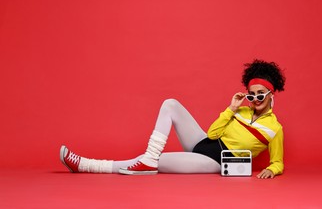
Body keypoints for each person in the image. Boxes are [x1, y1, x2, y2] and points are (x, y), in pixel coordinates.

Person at [60, 59, 286, 179]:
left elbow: (278, 161)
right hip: (203, 143)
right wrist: (231, 109)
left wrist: (273, 170)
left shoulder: (275, 128)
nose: (255, 99)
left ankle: (86, 165)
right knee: (170, 104)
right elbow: (212, 134)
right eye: (251, 94)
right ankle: (149, 157)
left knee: (154, 162)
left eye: (260, 94)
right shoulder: (241, 111)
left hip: (215, 161)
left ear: (270, 94)